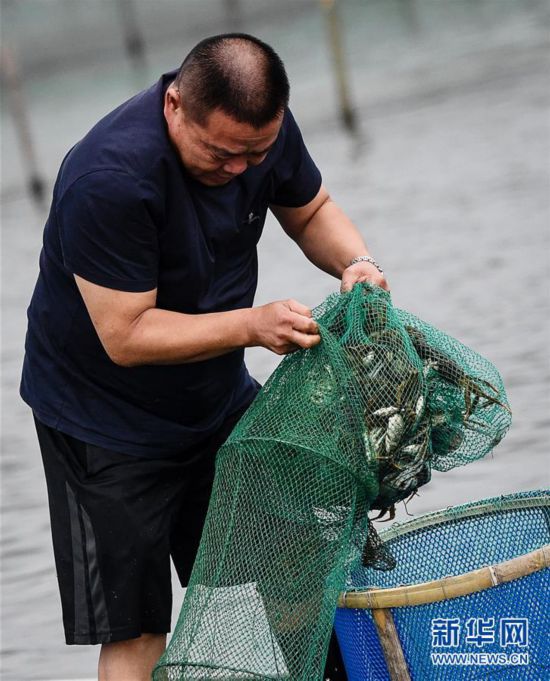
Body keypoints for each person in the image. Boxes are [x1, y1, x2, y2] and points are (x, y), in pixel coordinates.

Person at [20, 33, 387, 681]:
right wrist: (252, 324)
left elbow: (312, 210)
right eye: (221, 153)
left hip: (215, 399)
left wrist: (355, 262)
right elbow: (125, 334)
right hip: (104, 426)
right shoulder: (109, 179)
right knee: (137, 626)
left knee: (298, 567)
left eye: (257, 153)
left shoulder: (256, 130)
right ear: (174, 107)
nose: (241, 169)